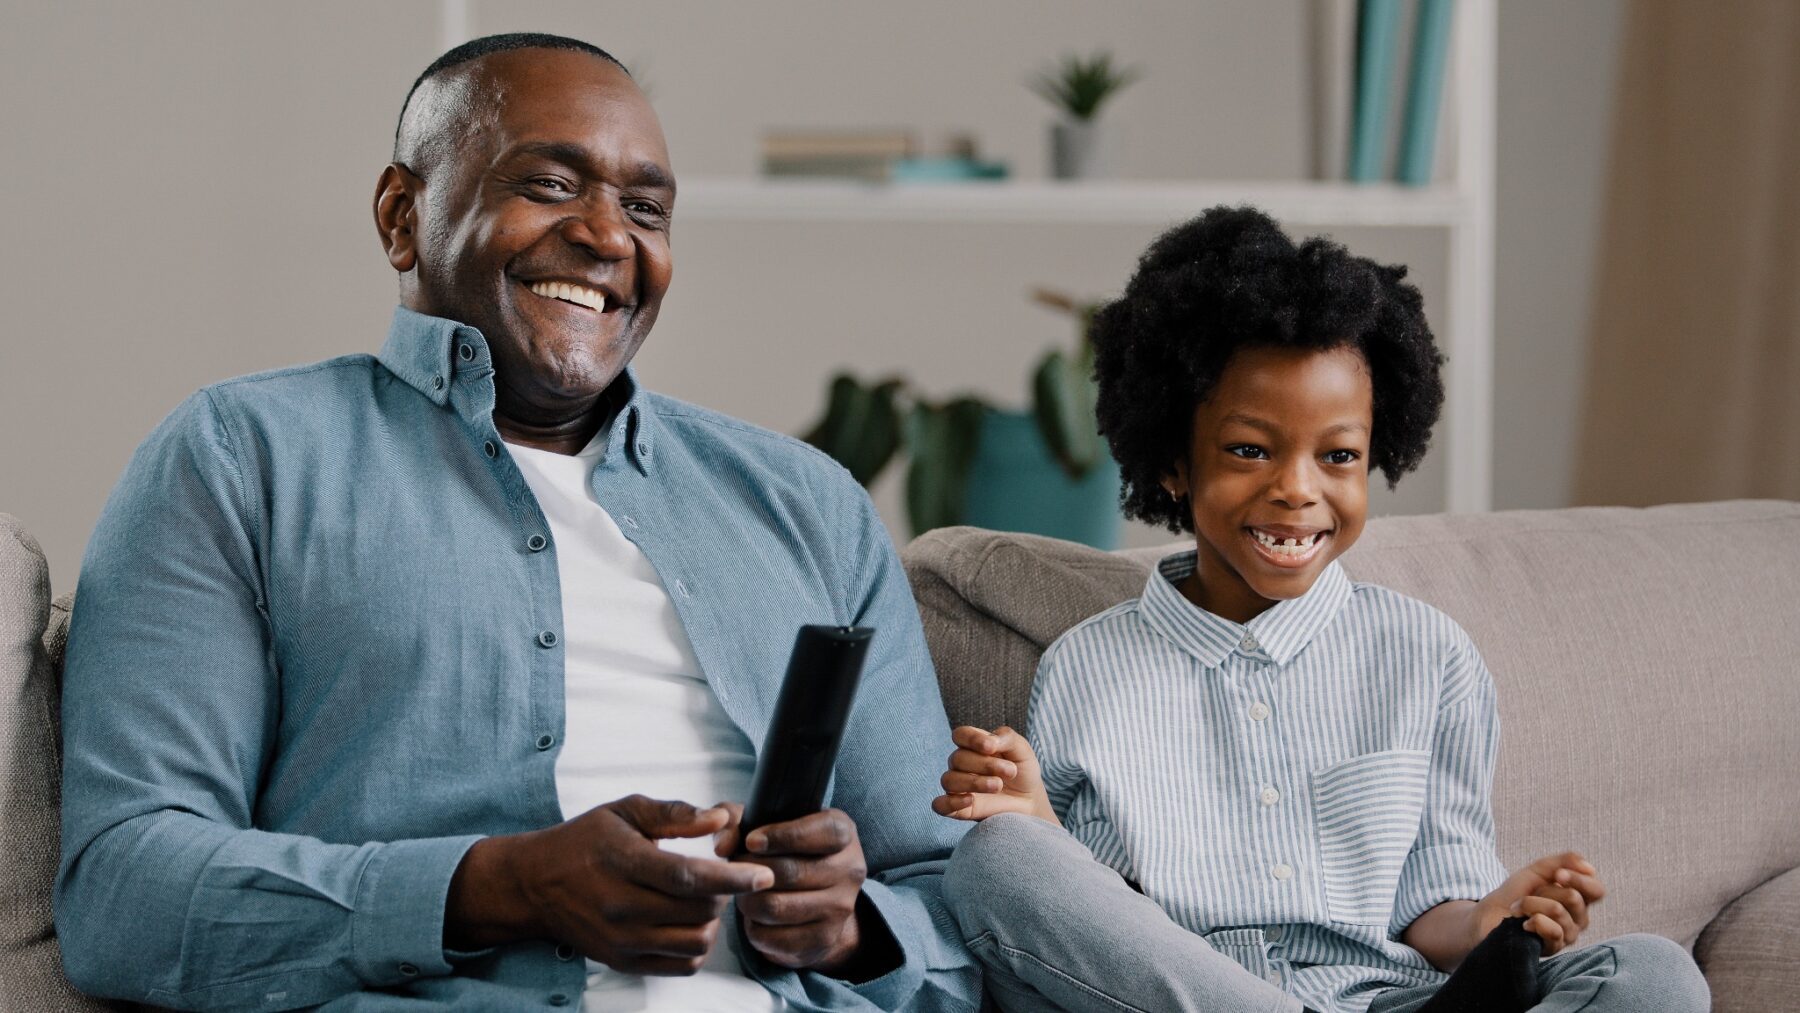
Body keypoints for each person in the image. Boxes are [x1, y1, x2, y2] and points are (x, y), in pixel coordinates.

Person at [56, 33, 980, 1012]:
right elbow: (124, 894)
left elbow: (961, 914)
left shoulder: (809, 505)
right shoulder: (243, 457)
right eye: (549, 185)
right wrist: (498, 886)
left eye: (646, 209)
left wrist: (846, 927)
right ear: (402, 216)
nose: (606, 235)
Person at [931, 207, 1711, 1013]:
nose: (1298, 488)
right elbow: (1096, 920)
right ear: (1173, 461)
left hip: (1386, 997)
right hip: (1190, 996)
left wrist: (1487, 919)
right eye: (1249, 449)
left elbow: (1429, 910)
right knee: (996, 861)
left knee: (1653, 975)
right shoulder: (1087, 664)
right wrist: (1034, 819)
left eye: (1338, 455)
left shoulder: (1428, 655)